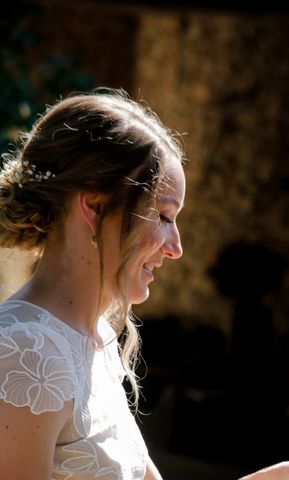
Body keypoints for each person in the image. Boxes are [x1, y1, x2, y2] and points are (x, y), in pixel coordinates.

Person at [0, 89, 185, 479]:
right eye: (164, 216)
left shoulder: (93, 338)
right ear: (95, 206)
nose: (176, 248)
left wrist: (288, 476)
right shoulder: (24, 353)